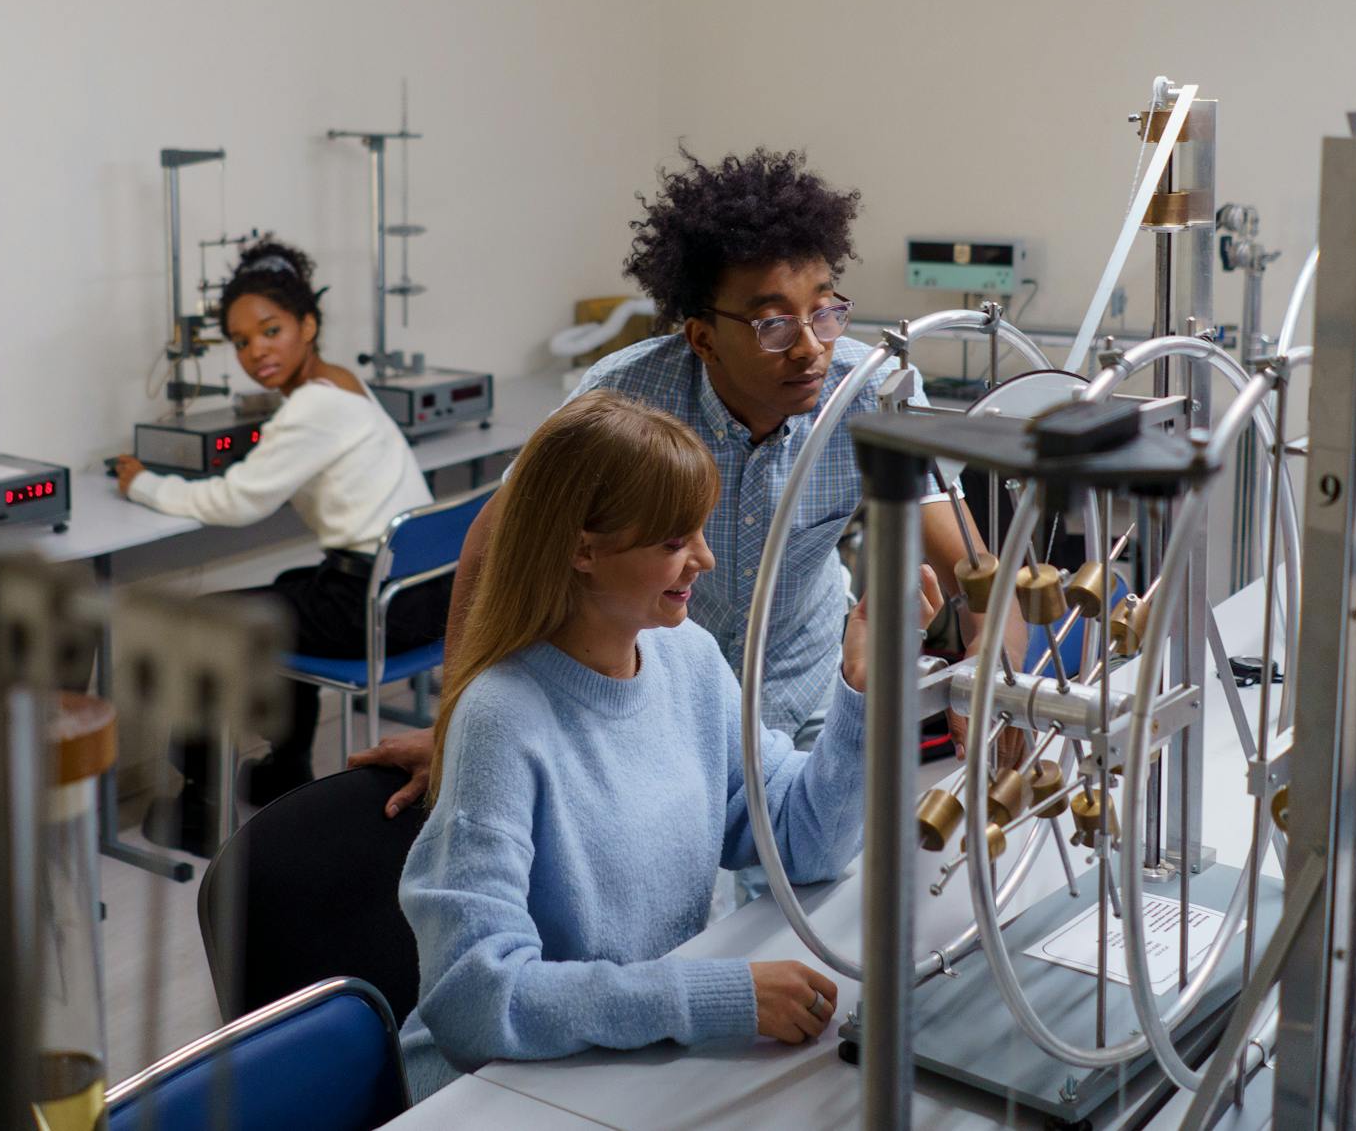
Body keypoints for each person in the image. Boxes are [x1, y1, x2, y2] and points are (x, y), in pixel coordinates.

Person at [355, 147, 1017, 818]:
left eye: (824, 311)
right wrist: (456, 729)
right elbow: (490, 544)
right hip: (660, 702)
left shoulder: (869, 390)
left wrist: (996, 681)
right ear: (703, 338)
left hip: (805, 686)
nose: (811, 345)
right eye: (773, 323)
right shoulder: (624, 396)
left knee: (819, 876)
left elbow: (971, 566)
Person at [395, 390, 941, 1100]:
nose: (706, 560)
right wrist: (712, 996)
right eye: (674, 542)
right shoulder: (502, 716)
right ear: (582, 548)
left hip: (629, 1061)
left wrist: (861, 687)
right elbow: (475, 998)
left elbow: (804, 840)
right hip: (499, 1088)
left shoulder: (686, 657)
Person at [115, 237, 448, 856]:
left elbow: (235, 503)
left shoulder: (311, 407)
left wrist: (145, 484)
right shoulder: (343, 382)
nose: (256, 352)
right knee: (290, 586)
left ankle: (199, 805)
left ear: (308, 325)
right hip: (416, 595)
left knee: (199, 619)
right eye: (241, 342)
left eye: (270, 331)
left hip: (375, 610)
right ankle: (285, 765)